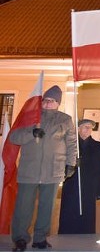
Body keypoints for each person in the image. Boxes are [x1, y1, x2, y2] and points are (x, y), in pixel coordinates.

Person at [9, 85, 77, 251]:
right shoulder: (30, 116)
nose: (48, 103)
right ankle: (20, 238)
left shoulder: (66, 120)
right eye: (46, 100)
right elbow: (14, 137)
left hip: (53, 169)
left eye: (52, 101)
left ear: (58, 103)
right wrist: (31, 132)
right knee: (23, 207)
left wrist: (71, 163)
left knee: (47, 207)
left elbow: (71, 144)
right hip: (29, 170)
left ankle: (40, 238)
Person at [58, 118, 100, 234]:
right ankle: (66, 234)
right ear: (78, 129)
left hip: (89, 186)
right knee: (69, 211)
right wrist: (72, 165)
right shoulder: (70, 146)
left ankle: (86, 234)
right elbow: (60, 163)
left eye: (90, 127)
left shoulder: (99, 147)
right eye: (86, 127)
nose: (88, 129)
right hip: (72, 184)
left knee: (87, 212)